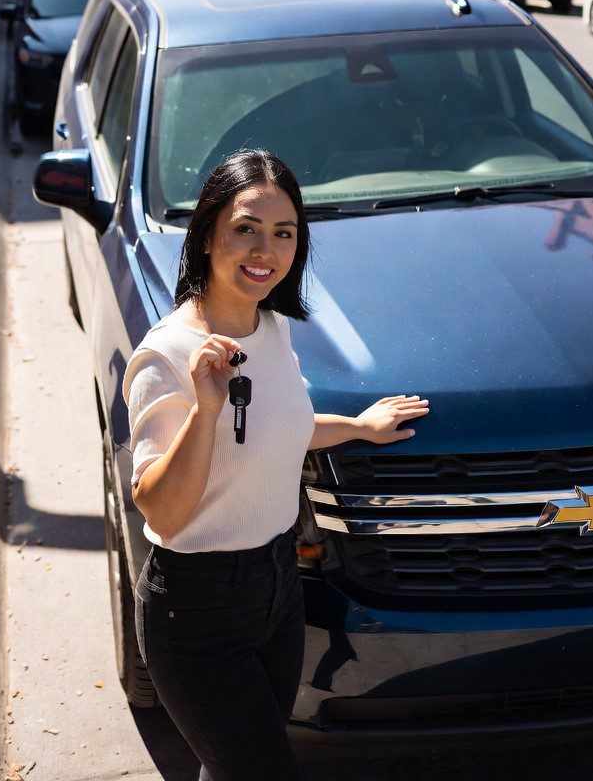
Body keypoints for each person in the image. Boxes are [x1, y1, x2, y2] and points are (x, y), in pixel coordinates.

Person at [124, 150, 430, 781]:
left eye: (283, 233)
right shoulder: (167, 355)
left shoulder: (270, 327)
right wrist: (204, 411)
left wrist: (357, 428)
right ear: (208, 233)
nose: (266, 248)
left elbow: (277, 430)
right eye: (246, 228)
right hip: (196, 609)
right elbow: (161, 510)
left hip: (278, 587)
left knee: (233, 767)